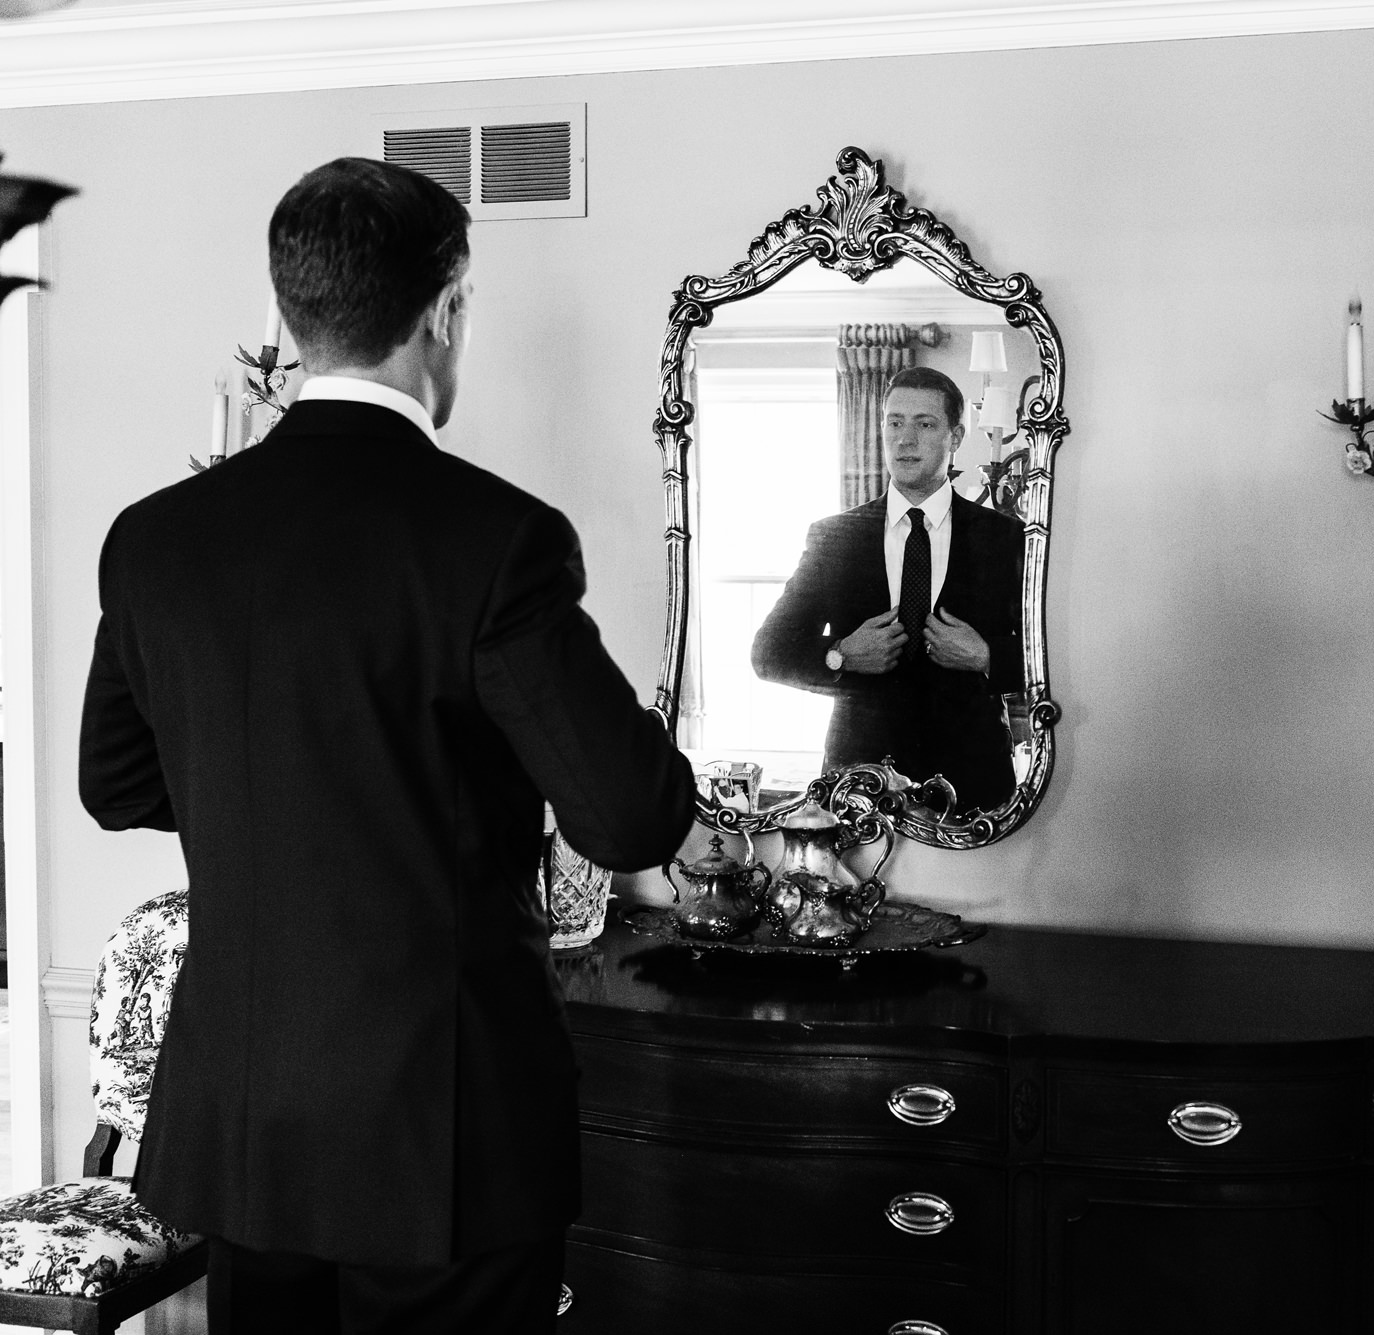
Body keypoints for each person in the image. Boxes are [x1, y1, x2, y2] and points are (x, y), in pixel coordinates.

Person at [77, 157, 696, 1333]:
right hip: (445, 1126)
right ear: (446, 309)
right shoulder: (495, 541)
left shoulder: (155, 540)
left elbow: (113, 786)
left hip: (246, 1123)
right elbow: (628, 817)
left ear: (293, 311)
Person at [751, 366, 1024, 811]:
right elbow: (768, 653)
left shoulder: (1005, 538)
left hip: (973, 782)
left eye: (924, 424)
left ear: (955, 437)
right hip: (858, 783)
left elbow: (1048, 658)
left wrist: (988, 656)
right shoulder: (835, 536)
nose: (905, 439)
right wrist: (840, 654)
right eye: (894, 422)